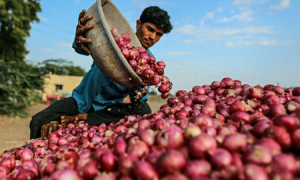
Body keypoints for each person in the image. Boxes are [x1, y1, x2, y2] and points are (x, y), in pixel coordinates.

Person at [29, 6, 173, 139]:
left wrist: (143, 83)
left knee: (143, 110)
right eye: (150, 29)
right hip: (81, 100)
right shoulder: (115, 40)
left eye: (158, 34)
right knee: (38, 120)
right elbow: (86, 47)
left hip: (108, 108)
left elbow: (138, 100)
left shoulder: (149, 62)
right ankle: (36, 150)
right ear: (138, 24)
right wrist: (80, 40)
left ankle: (83, 118)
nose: (152, 37)